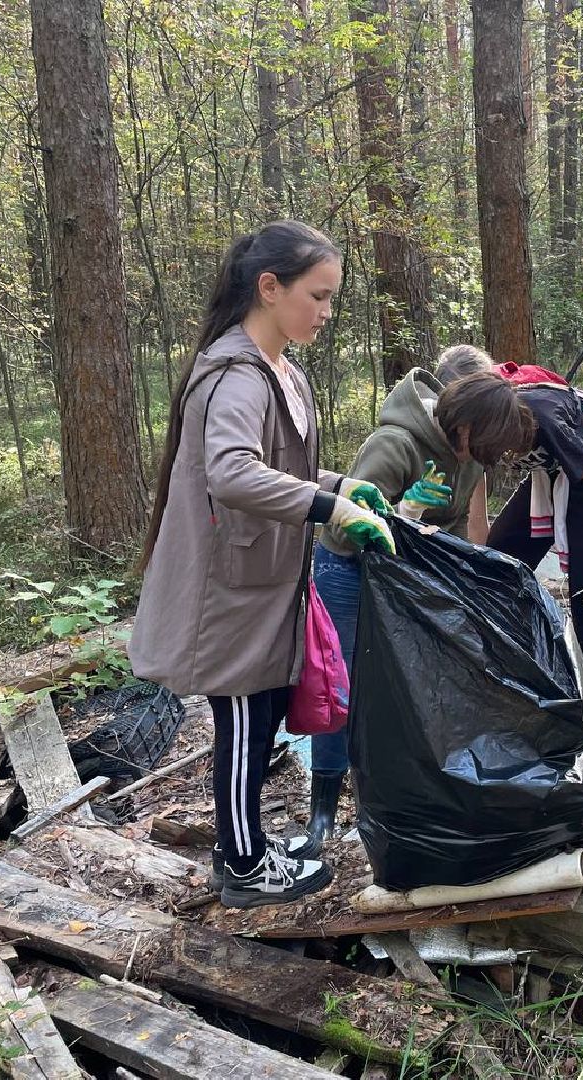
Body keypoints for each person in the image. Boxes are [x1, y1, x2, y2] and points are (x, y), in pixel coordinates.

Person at [129, 221, 397, 908]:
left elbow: (283, 466)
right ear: (269, 287)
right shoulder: (235, 374)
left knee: (260, 717)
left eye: (333, 298)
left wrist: (338, 486)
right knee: (245, 726)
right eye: (318, 296)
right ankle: (244, 867)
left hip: (269, 581)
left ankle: (241, 849)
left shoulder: (285, 370)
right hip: (230, 590)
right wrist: (328, 509)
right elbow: (232, 474)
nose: (327, 313)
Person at [305, 364, 535, 853]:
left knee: (407, 684)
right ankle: (322, 805)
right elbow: (345, 524)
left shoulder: (471, 455)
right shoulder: (396, 443)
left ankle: (386, 797)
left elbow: (454, 529)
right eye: (489, 445)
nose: (489, 461)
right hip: (347, 572)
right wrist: (404, 511)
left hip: (407, 575)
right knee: (342, 688)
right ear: (466, 426)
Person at [488, 365, 583, 753]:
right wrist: (480, 555)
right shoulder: (475, 422)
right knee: (497, 562)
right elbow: (479, 511)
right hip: (551, 469)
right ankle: (513, 668)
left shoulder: (543, 417)